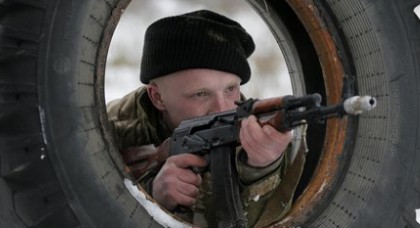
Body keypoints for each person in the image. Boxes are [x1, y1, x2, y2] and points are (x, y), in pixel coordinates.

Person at [107, 10, 295, 227]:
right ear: (157, 97)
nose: (222, 108)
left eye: (230, 89)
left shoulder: (265, 131)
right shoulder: (103, 130)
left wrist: (264, 168)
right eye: (201, 94)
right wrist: (149, 195)